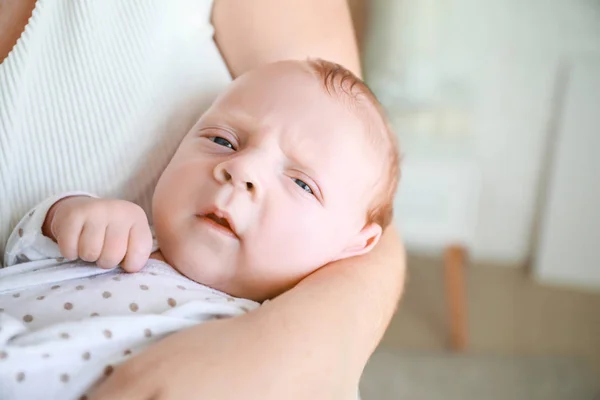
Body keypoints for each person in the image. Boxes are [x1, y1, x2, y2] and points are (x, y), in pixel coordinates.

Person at [0, 1, 406, 398]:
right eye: (221, 140)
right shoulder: (124, 239)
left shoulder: (263, 347)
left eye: (302, 184)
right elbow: (21, 255)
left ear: (356, 244)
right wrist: (63, 217)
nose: (242, 169)